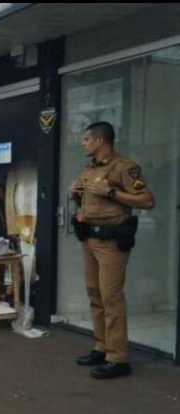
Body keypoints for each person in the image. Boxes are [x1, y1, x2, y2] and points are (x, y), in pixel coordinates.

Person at [69, 122, 155, 380]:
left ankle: (118, 358)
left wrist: (112, 192)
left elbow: (148, 200)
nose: (83, 144)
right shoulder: (89, 170)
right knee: (94, 294)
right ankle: (101, 346)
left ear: (100, 141)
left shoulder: (125, 168)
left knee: (111, 298)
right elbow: (85, 202)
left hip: (112, 243)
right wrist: (75, 194)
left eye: (86, 139)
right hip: (90, 239)